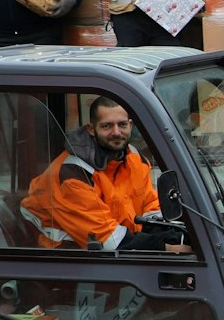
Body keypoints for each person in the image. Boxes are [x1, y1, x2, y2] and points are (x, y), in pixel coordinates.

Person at [21, 97, 174, 251]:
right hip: (66, 257)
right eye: (107, 126)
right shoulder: (72, 175)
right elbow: (108, 242)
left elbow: (151, 207)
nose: (116, 132)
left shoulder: (135, 159)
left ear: (130, 125)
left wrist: (173, 235)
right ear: (91, 129)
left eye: (122, 124)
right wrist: (167, 248)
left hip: (112, 248)